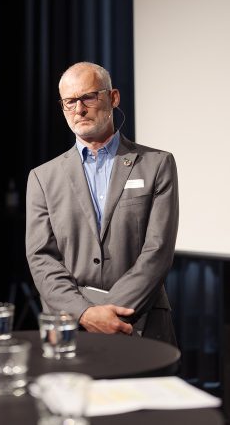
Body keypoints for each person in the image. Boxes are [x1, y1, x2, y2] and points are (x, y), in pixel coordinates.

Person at [25, 61, 178, 345]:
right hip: (70, 328)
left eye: (88, 97)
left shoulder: (157, 164)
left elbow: (158, 251)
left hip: (140, 324)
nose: (79, 109)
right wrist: (85, 314)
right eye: (70, 102)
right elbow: (42, 259)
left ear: (113, 97)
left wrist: (109, 314)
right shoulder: (42, 178)